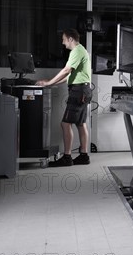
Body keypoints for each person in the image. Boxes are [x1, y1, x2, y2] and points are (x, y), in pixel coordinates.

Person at [37, 28, 92, 167]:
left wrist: (49, 83)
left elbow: (66, 70)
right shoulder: (81, 50)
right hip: (83, 89)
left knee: (65, 123)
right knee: (80, 123)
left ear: (71, 39)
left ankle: (67, 157)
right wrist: (50, 82)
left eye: (63, 39)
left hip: (79, 91)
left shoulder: (77, 51)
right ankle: (84, 156)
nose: (63, 43)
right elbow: (69, 76)